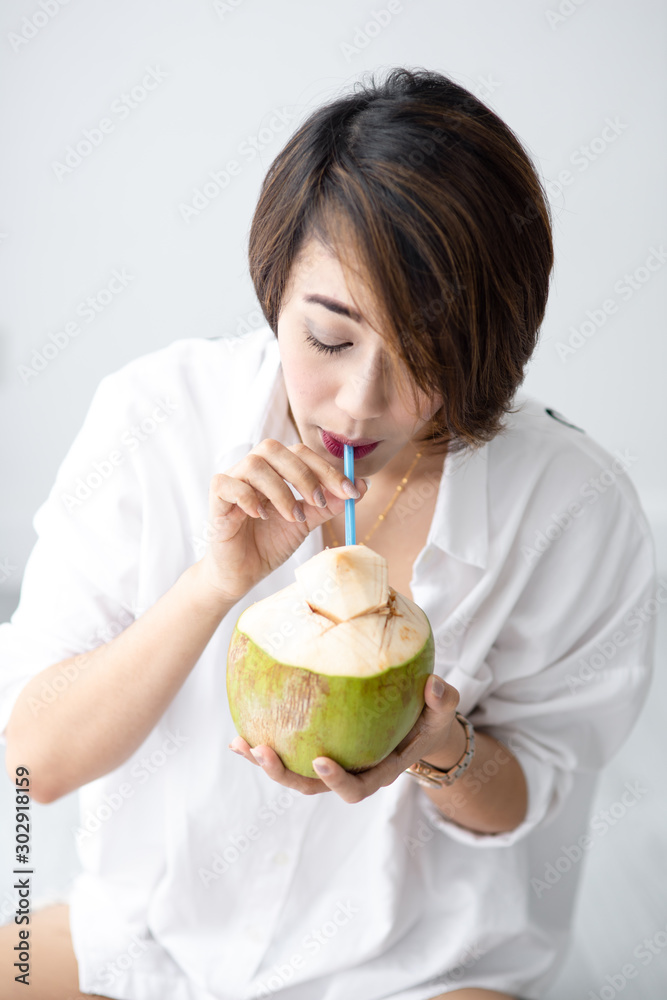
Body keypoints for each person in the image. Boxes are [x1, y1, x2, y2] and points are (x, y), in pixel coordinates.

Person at [0, 67, 656, 1000]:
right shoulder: (154, 419)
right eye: (331, 339)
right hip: (155, 945)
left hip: (422, 970)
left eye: (425, 356)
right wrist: (213, 585)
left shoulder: (573, 510)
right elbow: (36, 763)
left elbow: (529, 796)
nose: (359, 403)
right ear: (274, 290)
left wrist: (439, 747)